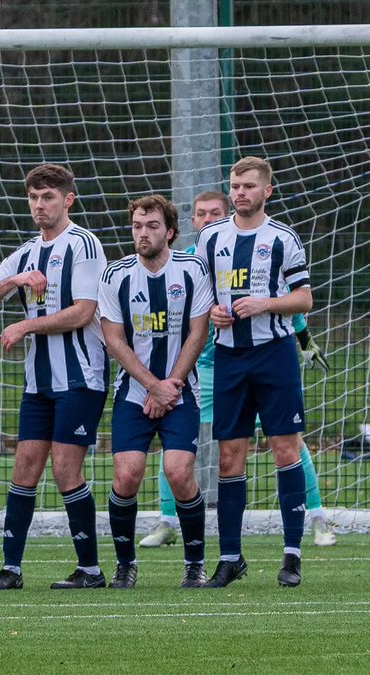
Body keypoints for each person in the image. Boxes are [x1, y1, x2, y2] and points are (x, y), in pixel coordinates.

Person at [141, 191, 338, 549]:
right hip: (199, 367)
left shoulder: (250, 244)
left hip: (252, 360)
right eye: (200, 214)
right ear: (191, 222)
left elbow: (282, 294)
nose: (207, 219)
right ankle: (168, 519)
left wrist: (304, 339)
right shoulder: (181, 261)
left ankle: (317, 515)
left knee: (287, 441)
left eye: (214, 212)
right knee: (176, 437)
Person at [0, 163, 109, 591]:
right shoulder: (26, 252)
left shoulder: (84, 244)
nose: (39, 205)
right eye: (33, 197)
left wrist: (26, 325)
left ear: (68, 199)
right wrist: (12, 280)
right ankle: (10, 569)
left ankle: (90, 570)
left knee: (66, 468)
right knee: (24, 466)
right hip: (39, 383)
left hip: (82, 377)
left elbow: (84, 311)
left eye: (48, 197)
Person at [196, 157, 313, 588]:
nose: (240, 192)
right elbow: (202, 297)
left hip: (274, 355)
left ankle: (292, 554)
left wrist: (264, 304)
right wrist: (213, 313)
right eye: (235, 185)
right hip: (229, 357)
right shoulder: (211, 237)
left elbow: (304, 299)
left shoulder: (283, 238)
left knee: (286, 449)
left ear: (267, 191)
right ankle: (230, 558)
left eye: (248, 186)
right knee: (229, 456)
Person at [98, 195, 212, 588]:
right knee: (127, 475)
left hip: (181, 392)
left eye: (151, 226)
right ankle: (125, 564)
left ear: (171, 232)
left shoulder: (193, 270)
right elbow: (113, 339)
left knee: (178, 472)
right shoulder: (116, 275)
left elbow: (199, 332)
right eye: (137, 226)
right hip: (134, 392)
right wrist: (151, 385)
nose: (143, 233)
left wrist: (170, 386)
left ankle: (195, 564)